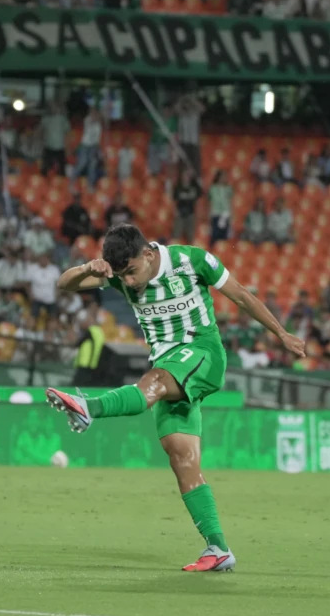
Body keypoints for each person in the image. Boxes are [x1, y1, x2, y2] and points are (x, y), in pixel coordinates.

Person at [44, 224, 305, 572]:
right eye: (123, 276)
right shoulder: (120, 274)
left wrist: (281, 334)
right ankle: (219, 548)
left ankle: (88, 407)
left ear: (148, 255)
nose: (130, 283)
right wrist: (87, 269)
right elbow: (64, 284)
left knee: (150, 384)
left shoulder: (191, 260)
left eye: (133, 272)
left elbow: (240, 294)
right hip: (169, 365)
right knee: (181, 457)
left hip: (202, 352)